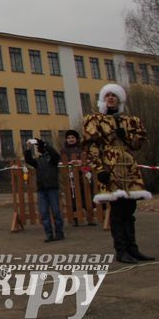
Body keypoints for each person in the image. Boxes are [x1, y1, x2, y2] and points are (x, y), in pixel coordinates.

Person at [83, 84, 153, 264]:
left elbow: (138, 144)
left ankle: (133, 248)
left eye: (114, 95)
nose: (111, 98)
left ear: (119, 99)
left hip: (128, 165)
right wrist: (99, 169)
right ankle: (121, 250)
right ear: (103, 99)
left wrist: (126, 136)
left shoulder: (130, 121)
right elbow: (91, 146)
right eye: (108, 95)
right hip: (109, 165)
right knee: (118, 210)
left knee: (130, 209)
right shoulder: (95, 120)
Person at [24, 138, 64, 242]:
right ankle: (49, 234)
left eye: (39, 148)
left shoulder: (52, 159)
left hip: (52, 188)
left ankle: (59, 232)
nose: (38, 149)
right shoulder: (38, 161)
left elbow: (55, 155)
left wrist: (46, 144)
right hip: (42, 189)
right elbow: (28, 160)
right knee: (44, 212)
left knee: (56, 211)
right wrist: (28, 148)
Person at [61, 129, 96, 226]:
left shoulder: (82, 148)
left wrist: (82, 162)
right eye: (69, 138)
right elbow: (62, 161)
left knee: (87, 196)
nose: (71, 139)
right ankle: (75, 218)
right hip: (71, 177)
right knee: (73, 197)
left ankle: (90, 218)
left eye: (72, 138)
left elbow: (89, 159)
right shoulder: (64, 150)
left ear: (76, 139)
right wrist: (69, 162)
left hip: (83, 176)